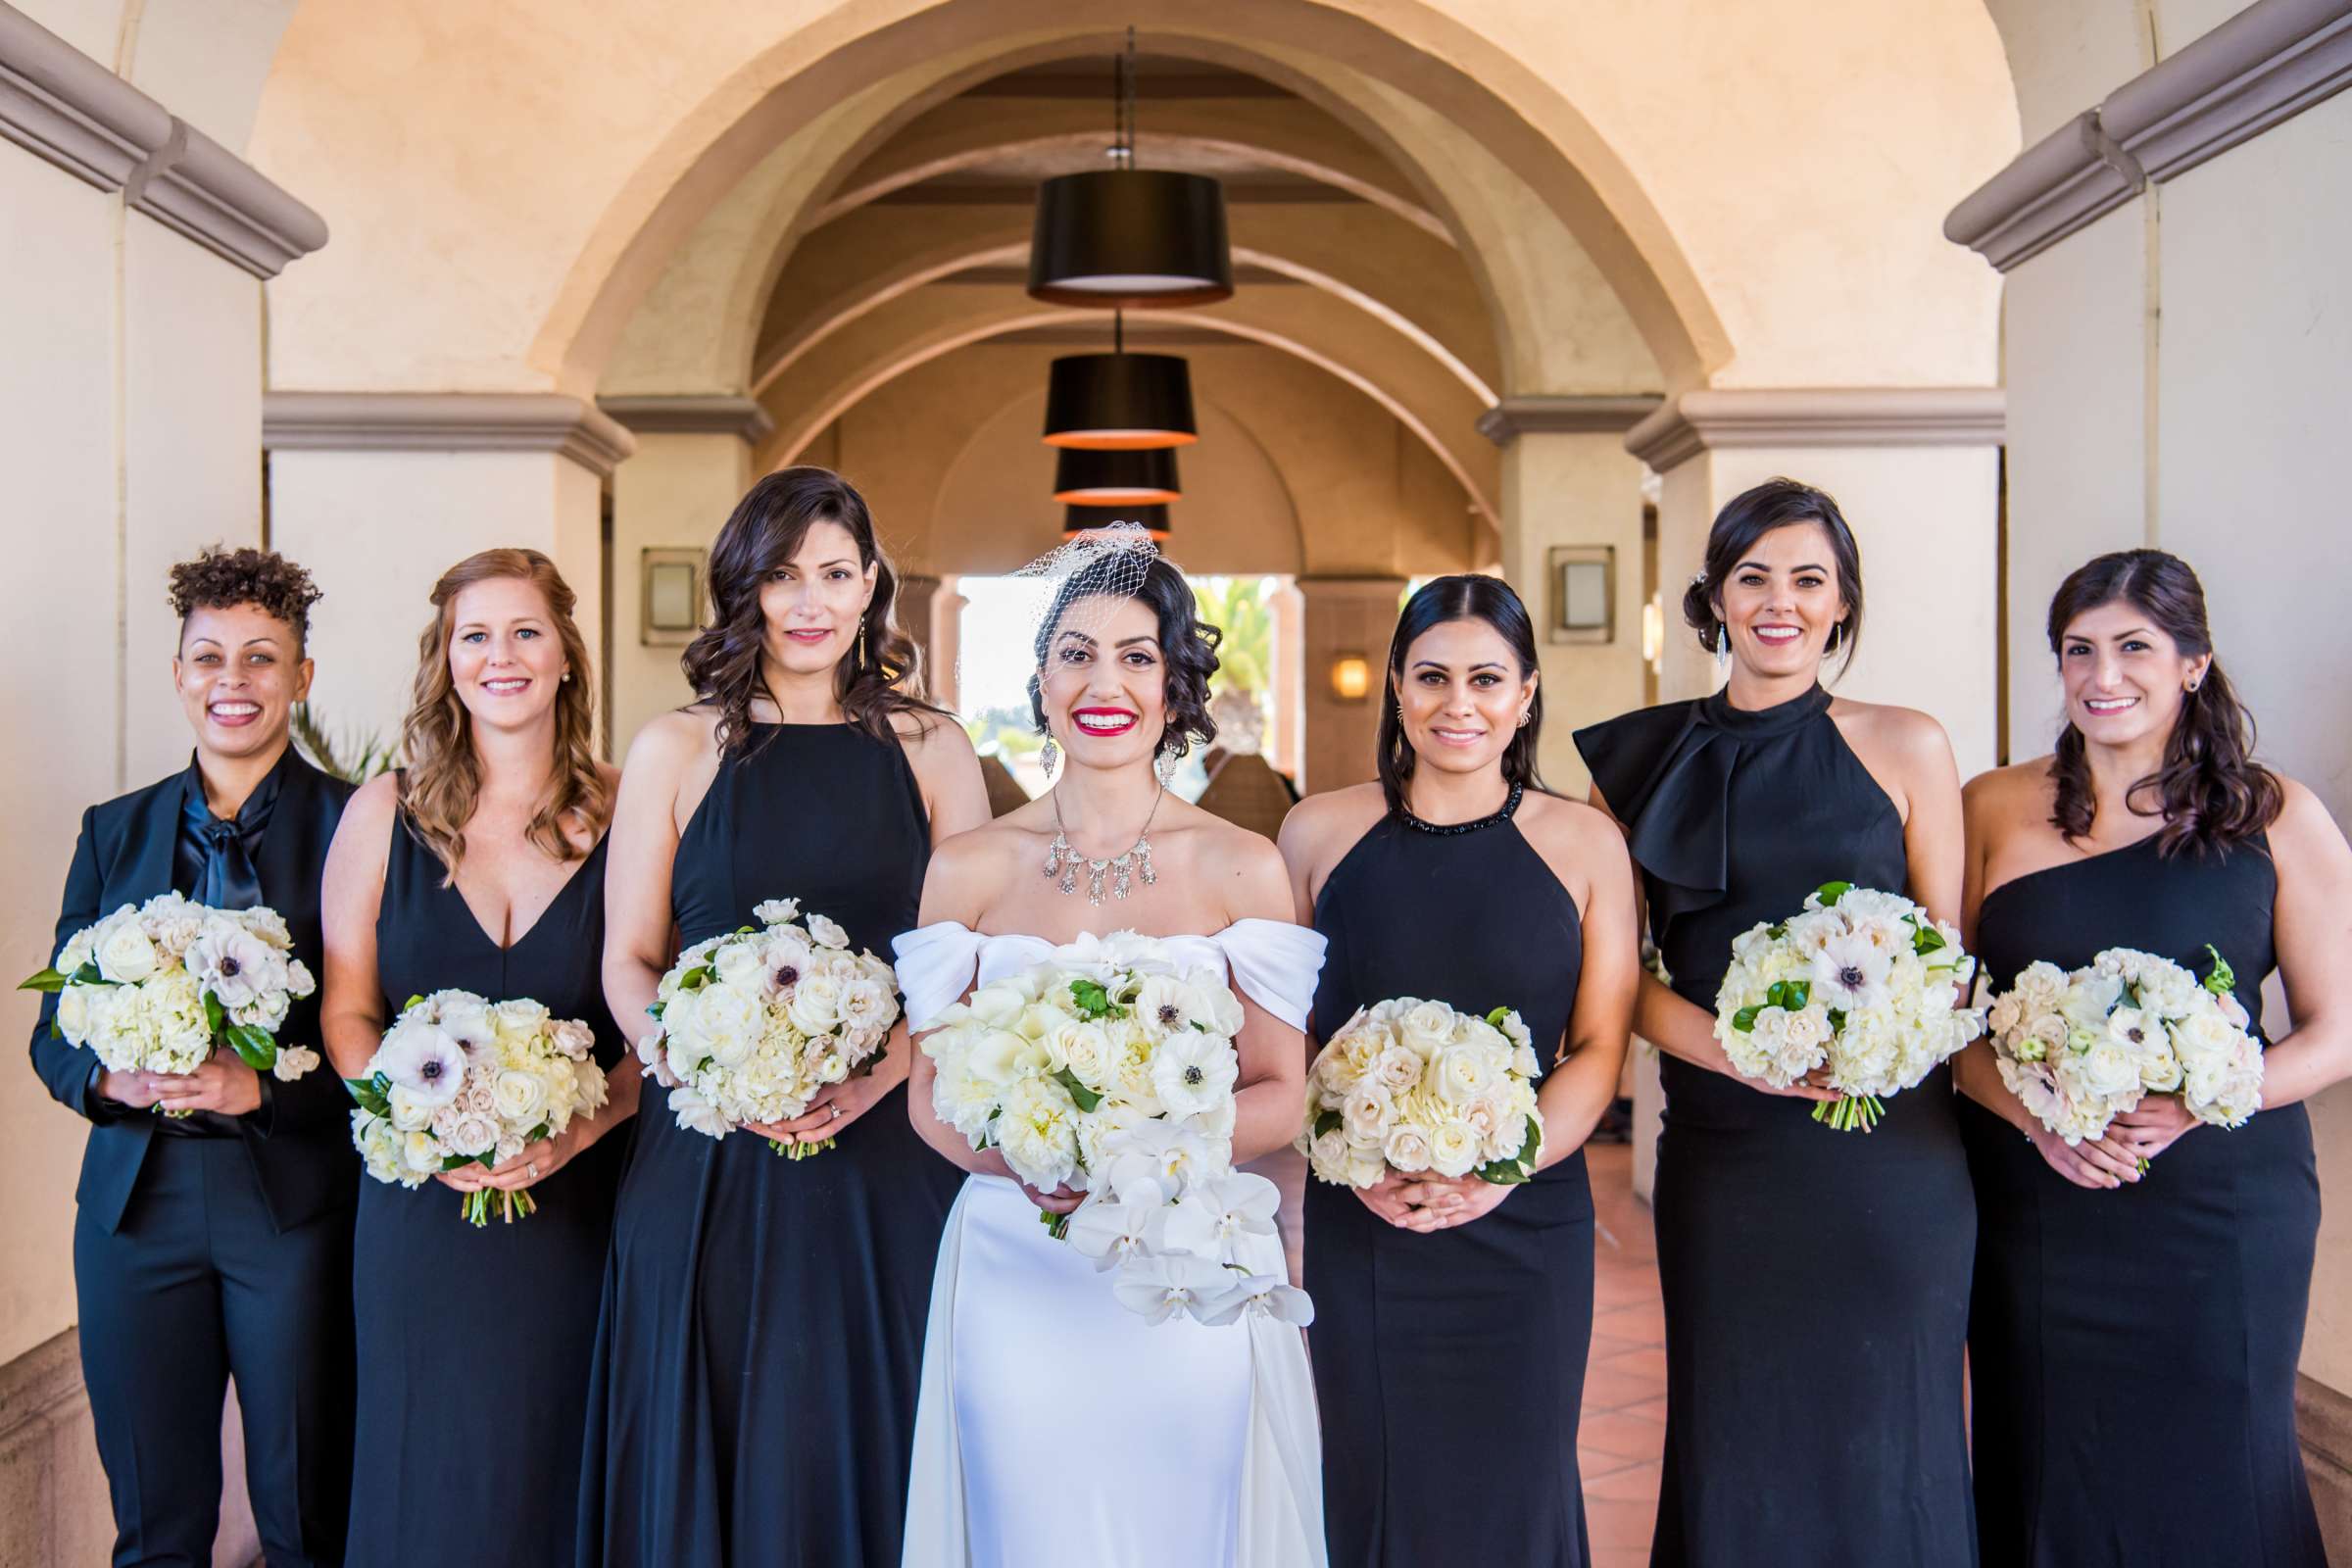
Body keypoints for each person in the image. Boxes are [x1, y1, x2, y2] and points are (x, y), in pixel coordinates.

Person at [578, 467, 989, 1567]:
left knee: (872, 1410)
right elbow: (629, 959)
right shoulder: (678, 745)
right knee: (713, 1415)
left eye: (836, 574)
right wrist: (692, 1065)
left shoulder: (931, 747)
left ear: (871, 590)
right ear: (745, 586)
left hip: (886, 1152)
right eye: (783, 573)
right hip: (709, 1157)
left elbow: (966, 970)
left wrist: (875, 1076)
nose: (810, 600)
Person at [893, 531, 1327, 1566]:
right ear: (1041, 681)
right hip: (1014, 1260)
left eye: (1138, 656)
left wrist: (1144, 1166)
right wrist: (1036, 1163)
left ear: (1176, 689)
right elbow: (925, 1095)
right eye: (1077, 652)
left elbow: (1281, 1092)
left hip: (1187, 1265)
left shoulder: (1240, 864)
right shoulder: (967, 867)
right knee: (1023, 1521)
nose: (1105, 681)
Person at [1572, 478, 1976, 1567]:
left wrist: (1876, 1044)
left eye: (1808, 578)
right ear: (1713, 597)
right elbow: (1612, 978)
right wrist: (1739, 1054)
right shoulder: (1637, 763)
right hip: (1729, 1152)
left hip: (1890, 1154)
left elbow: (1950, 961)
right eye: (1752, 576)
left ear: (1843, 602)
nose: (1779, 601)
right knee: (1736, 1425)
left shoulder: (1909, 745)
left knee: (1894, 1426)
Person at [1955, 549, 2347, 1567]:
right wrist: (2040, 1122)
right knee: (2047, 1461)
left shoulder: (2277, 816)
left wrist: (2201, 1100)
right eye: (2078, 649)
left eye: (2134, 647)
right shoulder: (1992, 806)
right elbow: (1947, 1026)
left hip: (2221, 1212)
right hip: (2042, 1202)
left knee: (2224, 1470)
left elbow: (2338, 1029)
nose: (2103, 675)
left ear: (2193, 663)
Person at [1278, 574, 1637, 1566]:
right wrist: (1361, 1160)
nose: (1458, 703)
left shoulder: (1585, 842)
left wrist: (1498, 1169)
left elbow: (1601, 1043)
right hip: (1369, 1216)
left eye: (1486, 678)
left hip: (1526, 1229)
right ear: (1396, 686)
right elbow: (1287, 1039)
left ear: (1526, 692)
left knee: (1517, 1488)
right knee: (1372, 1473)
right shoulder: (1316, 833)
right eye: (1432, 676)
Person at [30, 547, 357, 1567]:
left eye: (263, 658)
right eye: (209, 656)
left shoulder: (358, 825)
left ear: (302, 678)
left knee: (308, 1513)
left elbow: (386, 1027)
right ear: (178, 673)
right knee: (156, 1523)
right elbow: (54, 1029)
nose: (233, 681)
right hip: (137, 1207)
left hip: (294, 1206)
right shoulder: (112, 830)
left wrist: (263, 1083)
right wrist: (102, 1077)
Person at [318, 549, 622, 1568]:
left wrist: (583, 1123)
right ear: (446, 663)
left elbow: (661, 1023)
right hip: (421, 1218)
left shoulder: (631, 814)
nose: (503, 656)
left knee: (559, 1468)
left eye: (526, 632)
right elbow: (350, 1009)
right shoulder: (384, 813)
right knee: (425, 1473)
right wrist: (414, 1119)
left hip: (581, 1218)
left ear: (567, 658)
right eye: (476, 636)